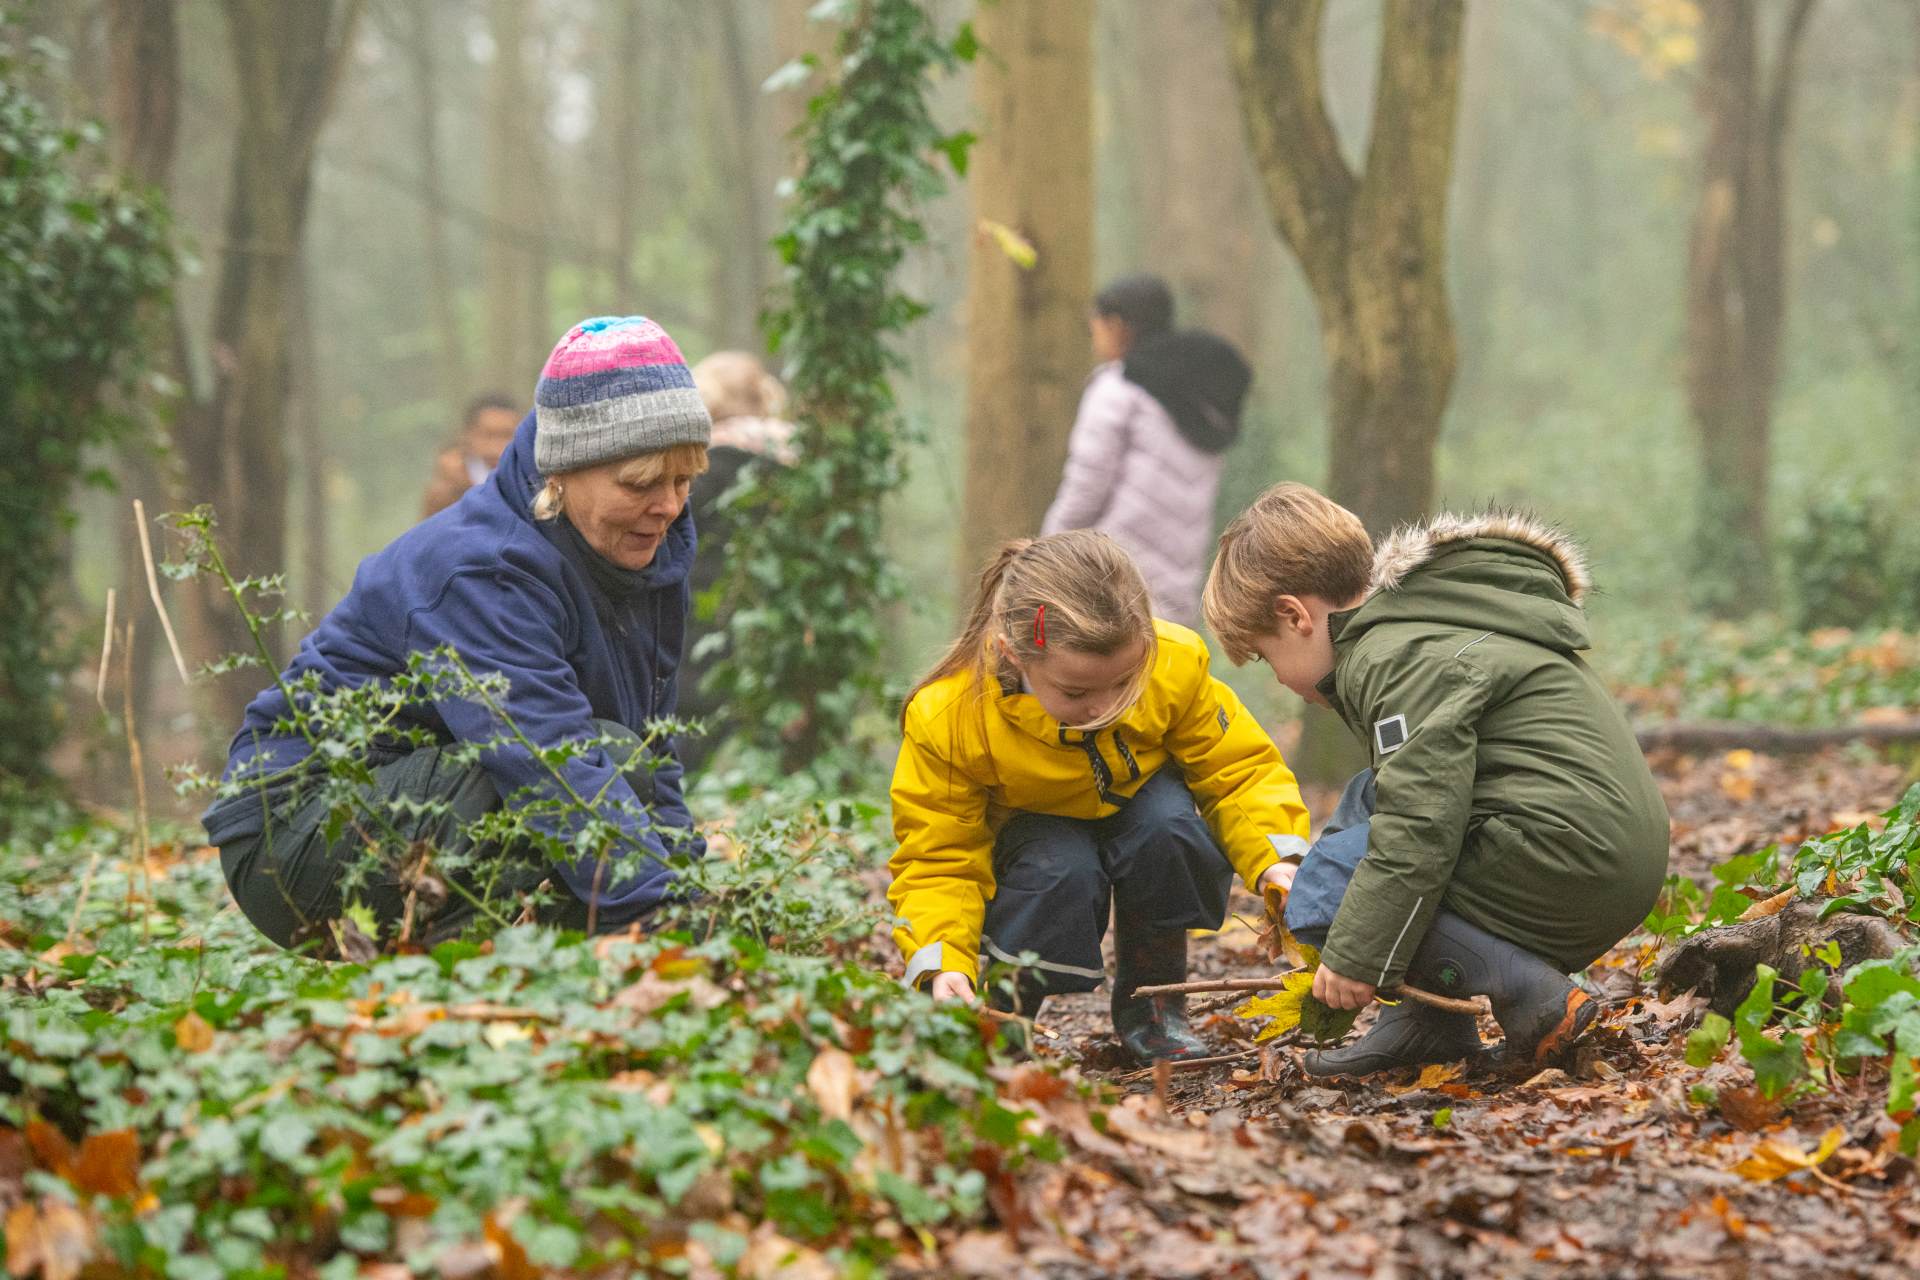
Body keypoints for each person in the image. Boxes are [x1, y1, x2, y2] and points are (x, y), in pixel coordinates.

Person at [203, 316, 713, 951]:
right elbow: (546, 764)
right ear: (561, 469)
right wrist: (661, 929)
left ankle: (536, 967)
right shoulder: (481, 568)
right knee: (597, 763)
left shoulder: (646, 546)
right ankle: (515, 975)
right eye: (641, 483)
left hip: (426, 793)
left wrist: (695, 897)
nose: (668, 505)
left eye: (683, 480)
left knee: (622, 761)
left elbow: (653, 749)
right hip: (295, 835)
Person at [1202, 483, 1670, 1075]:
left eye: (1266, 657)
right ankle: (1425, 1028)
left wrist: (1353, 954)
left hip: (1567, 860)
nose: (1279, 680)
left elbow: (1421, 827)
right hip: (1604, 857)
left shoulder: (1390, 656)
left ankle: (1529, 994)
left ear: (1293, 615)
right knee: (1366, 798)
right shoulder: (1432, 624)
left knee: (1324, 894)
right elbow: (1409, 798)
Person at [887, 530, 1311, 1064]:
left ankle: (1154, 1007)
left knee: (1168, 827)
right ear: (1011, 654)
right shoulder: (951, 717)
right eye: (1077, 692)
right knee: (1060, 865)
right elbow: (937, 856)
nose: (1106, 707)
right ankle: (1005, 1016)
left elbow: (1237, 770)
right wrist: (943, 960)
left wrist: (1278, 857)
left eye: (1124, 682)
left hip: (1142, 814)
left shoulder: (1173, 664)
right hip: (1032, 837)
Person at [1041, 274, 1252, 626]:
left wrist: (1045, 553)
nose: (1094, 339)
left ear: (1118, 326)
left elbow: (1086, 487)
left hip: (1112, 585)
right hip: (1178, 588)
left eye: (1096, 327)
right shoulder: (1199, 397)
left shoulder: (1117, 390)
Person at [677, 351, 797, 775]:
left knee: (687, 738)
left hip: (704, 620)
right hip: (778, 631)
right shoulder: (799, 465)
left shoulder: (703, 467)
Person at [420, 392, 523, 518]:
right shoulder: (446, 491)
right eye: (487, 435)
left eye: (505, 435)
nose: (495, 447)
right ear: (468, 435)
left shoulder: (530, 485)